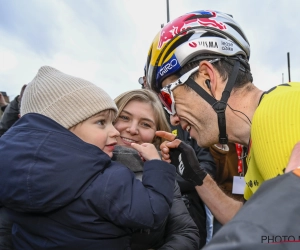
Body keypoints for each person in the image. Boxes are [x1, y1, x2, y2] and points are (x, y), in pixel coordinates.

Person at [144, 9, 300, 226]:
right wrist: (197, 175)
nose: (173, 119)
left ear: (208, 77)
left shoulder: (280, 112)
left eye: (169, 98)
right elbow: (248, 223)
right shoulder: (256, 136)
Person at [0, 66, 177, 250]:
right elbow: (153, 211)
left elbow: (183, 231)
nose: (117, 131)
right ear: (65, 127)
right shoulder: (107, 178)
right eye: (102, 122)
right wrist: (157, 166)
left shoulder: (11, 174)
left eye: (145, 123)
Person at [112, 89, 200, 249]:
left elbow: (185, 232)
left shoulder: (163, 175)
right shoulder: (85, 163)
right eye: (124, 117)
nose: (132, 129)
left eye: (145, 124)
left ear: (156, 134)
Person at [137, 75, 217, 246]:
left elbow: (207, 166)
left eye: (146, 124)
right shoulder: (131, 128)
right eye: (144, 82)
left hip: (189, 211)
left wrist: (163, 179)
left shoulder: (185, 121)